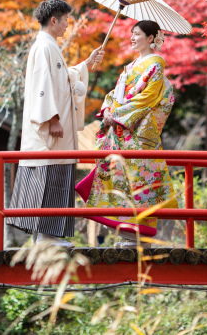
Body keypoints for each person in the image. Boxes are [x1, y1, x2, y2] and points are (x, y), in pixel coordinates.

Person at [6, 0, 104, 247]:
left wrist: (86, 64)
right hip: (52, 130)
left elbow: (61, 79)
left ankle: (44, 236)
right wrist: (52, 118)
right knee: (50, 178)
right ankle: (47, 237)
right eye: (66, 21)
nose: (67, 26)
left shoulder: (47, 46)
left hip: (53, 130)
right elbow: (43, 86)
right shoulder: (44, 47)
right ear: (53, 20)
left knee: (51, 178)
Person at [75, 20, 177, 247]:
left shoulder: (156, 64)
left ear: (151, 38)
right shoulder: (131, 67)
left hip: (137, 134)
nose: (132, 38)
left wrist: (118, 115)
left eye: (137, 34)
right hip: (121, 131)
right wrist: (109, 110)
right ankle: (125, 234)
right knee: (122, 182)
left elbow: (147, 98)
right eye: (131, 33)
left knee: (137, 182)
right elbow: (114, 94)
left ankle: (136, 236)